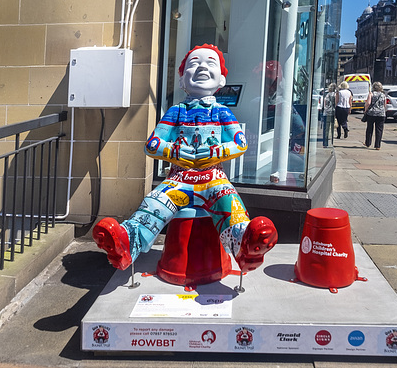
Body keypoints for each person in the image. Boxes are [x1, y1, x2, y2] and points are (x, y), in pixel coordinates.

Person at [92, 44, 278, 275]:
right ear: (182, 81)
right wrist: (175, 152)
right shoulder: (176, 111)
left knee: (229, 204)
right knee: (154, 204)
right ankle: (127, 242)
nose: (201, 67)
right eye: (193, 63)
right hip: (178, 179)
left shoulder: (222, 112)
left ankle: (245, 245)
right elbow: (152, 143)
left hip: (213, 178)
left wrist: (214, 153)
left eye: (210, 63)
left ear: (221, 80)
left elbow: (240, 143)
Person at [363, 82, 387, 150]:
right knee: (379, 130)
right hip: (381, 114)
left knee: (369, 128)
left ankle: (368, 143)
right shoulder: (383, 95)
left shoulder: (371, 93)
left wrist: (365, 110)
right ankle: (377, 145)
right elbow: (385, 105)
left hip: (371, 113)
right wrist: (383, 110)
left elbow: (368, 103)